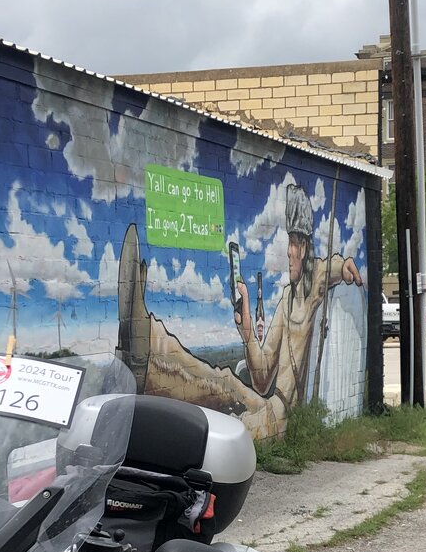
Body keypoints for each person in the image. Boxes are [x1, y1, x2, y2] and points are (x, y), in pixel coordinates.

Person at [117, 180, 363, 440]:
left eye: (292, 244)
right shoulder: (287, 298)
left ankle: (148, 358)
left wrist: (344, 264)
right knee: (224, 382)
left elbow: (327, 270)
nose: (287, 253)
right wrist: (247, 334)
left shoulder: (313, 285)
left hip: (282, 417)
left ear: (302, 248)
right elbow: (261, 377)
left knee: (235, 424)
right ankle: (147, 347)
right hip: (270, 403)